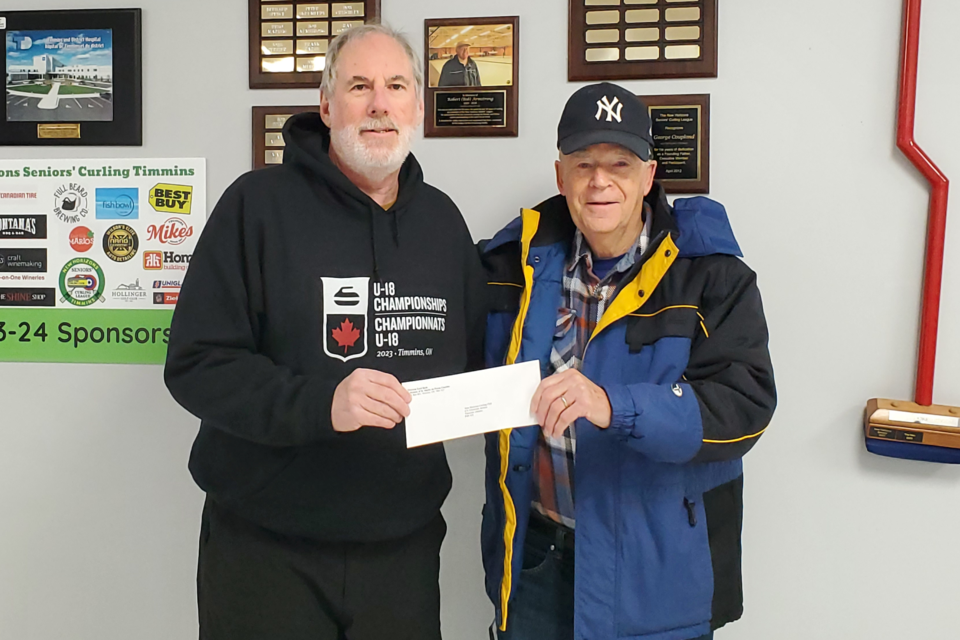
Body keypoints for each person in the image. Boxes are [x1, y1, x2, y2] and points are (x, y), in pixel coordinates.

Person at [164, 24, 485, 640]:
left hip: (403, 553)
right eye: (358, 85)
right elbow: (196, 363)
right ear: (326, 105)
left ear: (418, 104)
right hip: (266, 549)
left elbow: (472, 359)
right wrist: (322, 403)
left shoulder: (443, 223)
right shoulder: (255, 206)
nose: (379, 103)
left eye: (396, 86)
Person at [479, 82, 777, 640]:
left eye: (620, 163)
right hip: (533, 560)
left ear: (649, 175)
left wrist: (614, 405)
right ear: (560, 174)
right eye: (584, 163)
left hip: (656, 574)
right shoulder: (509, 265)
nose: (600, 181)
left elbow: (745, 407)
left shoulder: (712, 276)